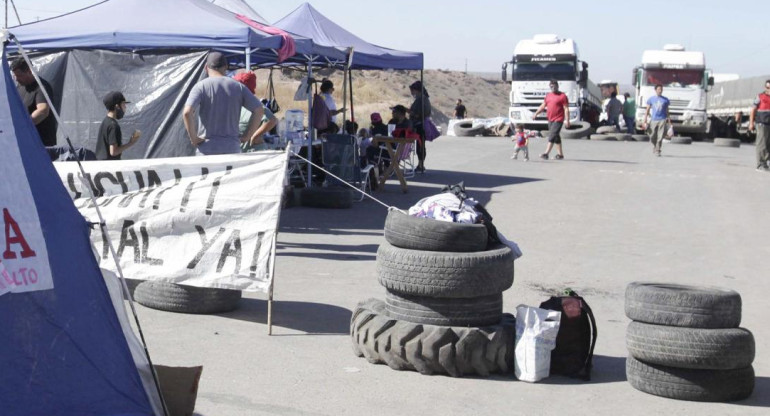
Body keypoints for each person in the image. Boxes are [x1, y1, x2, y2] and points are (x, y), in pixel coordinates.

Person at [183, 52, 264, 155]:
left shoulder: (200, 86)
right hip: (231, 148)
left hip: (206, 149)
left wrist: (194, 138)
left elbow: (187, 112)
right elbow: (259, 110)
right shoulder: (238, 87)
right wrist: (247, 136)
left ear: (205, 67)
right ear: (226, 67)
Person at [10, 57, 58, 146]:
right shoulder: (20, 87)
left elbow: (43, 111)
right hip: (26, 141)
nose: (16, 79)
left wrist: (23, 126)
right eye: (14, 76)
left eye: (19, 76)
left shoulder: (41, 87)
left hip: (42, 144)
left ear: (29, 71)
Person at [233, 71, 278, 152]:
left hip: (253, 152)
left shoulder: (255, 105)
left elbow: (272, 120)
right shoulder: (238, 104)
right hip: (240, 151)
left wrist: (255, 136)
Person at [95, 91, 141, 160]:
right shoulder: (113, 125)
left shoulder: (105, 121)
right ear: (117, 106)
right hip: (109, 167)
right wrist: (130, 143)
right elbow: (113, 152)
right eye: (123, 104)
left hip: (101, 164)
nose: (125, 108)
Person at [533, 79, 569, 160]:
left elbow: (566, 109)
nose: (553, 87)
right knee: (556, 137)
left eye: (554, 86)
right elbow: (543, 106)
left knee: (552, 135)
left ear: (558, 86)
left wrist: (567, 120)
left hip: (559, 119)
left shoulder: (562, 96)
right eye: (551, 86)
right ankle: (560, 155)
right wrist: (536, 113)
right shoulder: (548, 95)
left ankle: (546, 154)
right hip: (550, 119)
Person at [641, 84, 671, 157]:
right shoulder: (651, 99)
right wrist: (645, 119)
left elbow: (667, 110)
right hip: (654, 119)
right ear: (655, 90)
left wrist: (669, 119)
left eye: (661, 89)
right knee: (652, 135)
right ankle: (655, 145)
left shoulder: (665, 100)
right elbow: (647, 109)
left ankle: (658, 150)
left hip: (662, 119)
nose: (660, 91)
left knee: (660, 136)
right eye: (658, 89)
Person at [408, 81, 431, 172]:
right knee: (420, 146)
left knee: (420, 146)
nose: (412, 93)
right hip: (420, 125)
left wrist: (407, 111)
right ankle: (420, 164)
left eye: (412, 91)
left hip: (420, 126)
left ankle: (421, 165)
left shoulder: (421, 100)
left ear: (417, 90)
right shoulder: (423, 99)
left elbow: (420, 114)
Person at [749, 79, 770, 171]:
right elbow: (753, 110)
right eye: (767, 87)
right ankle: (761, 164)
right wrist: (751, 123)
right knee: (762, 144)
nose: (769, 89)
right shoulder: (760, 97)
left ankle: (766, 162)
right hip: (762, 123)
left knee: (768, 144)